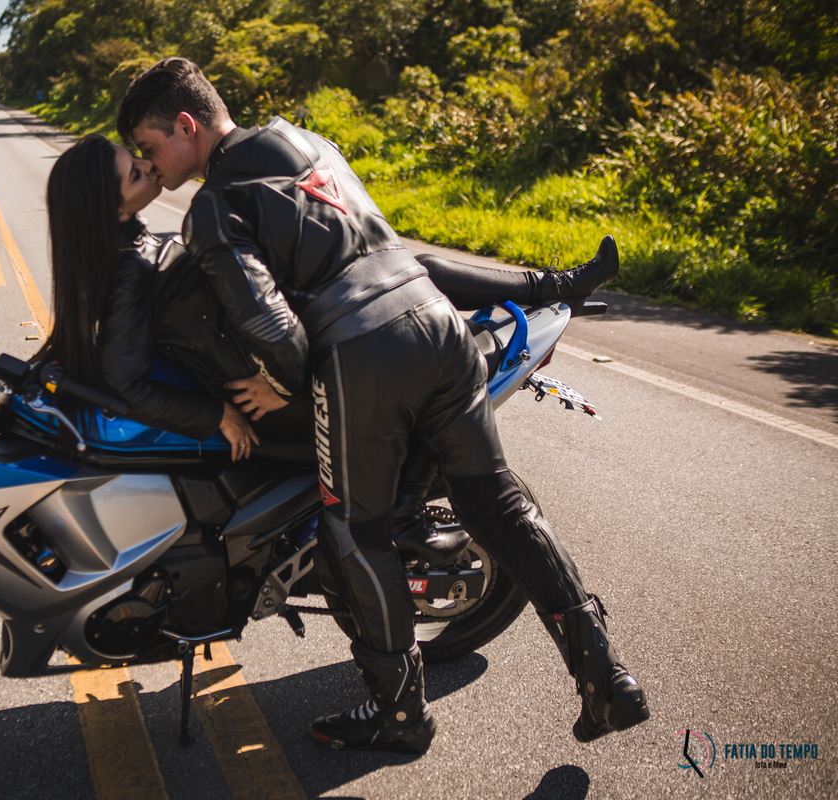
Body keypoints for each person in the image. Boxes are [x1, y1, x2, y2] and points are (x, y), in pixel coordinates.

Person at [115, 57, 647, 754]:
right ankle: (607, 678)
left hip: (363, 354)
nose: (151, 166)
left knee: (354, 536)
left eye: (151, 148)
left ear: (186, 125)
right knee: (503, 510)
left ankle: (401, 718)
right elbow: (401, 255)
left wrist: (280, 379)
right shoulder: (306, 142)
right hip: (439, 327)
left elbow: (272, 325)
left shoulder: (213, 207)